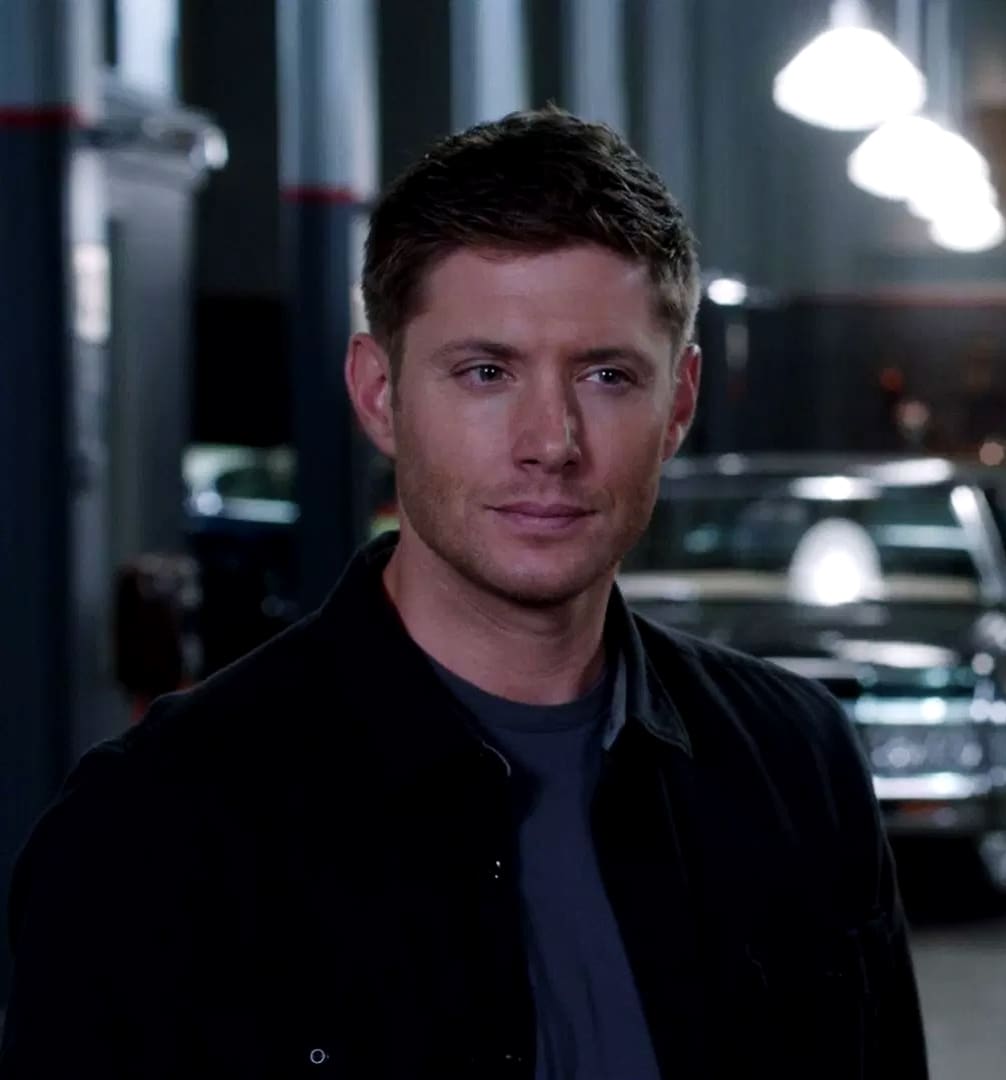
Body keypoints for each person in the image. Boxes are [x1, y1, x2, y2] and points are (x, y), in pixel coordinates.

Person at [2, 108, 927, 1079]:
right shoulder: (155, 827)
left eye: (607, 375)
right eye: (486, 372)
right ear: (379, 393)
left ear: (679, 403)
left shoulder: (799, 765)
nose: (551, 442)